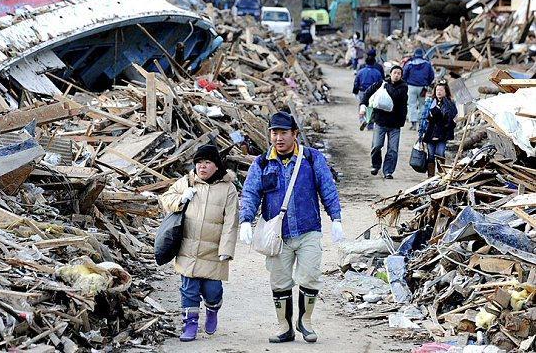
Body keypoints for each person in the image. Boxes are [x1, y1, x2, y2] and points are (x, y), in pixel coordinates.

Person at [239, 111, 343, 344]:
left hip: (308, 230)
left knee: (310, 277)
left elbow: (327, 188)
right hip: (278, 236)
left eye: (283, 133)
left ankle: (305, 322)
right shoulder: (262, 163)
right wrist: (245, 219)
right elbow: (250, 193)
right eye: (274, 133)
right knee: (280, 281)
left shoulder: (312, 159)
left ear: (295, 134)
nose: (278, 138)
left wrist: (336, 218)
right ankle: (284, 327)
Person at [159, 145, 239, 342]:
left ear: (216, 165)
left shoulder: (228, 188)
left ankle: (213, 309)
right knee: (189, 290)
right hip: (188, 248)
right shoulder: (187, 182)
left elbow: (231, 221)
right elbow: (165, 198)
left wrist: (226, 249)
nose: (202, 167)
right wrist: (181, 198)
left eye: (207, 163)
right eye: (198, 163)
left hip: (213, 251)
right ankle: (190, 324)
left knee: (212, 291)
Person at [359, 66, 408, 179]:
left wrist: (386, 86)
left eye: (399, 73)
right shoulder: (380, 84)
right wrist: (363, 106)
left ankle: (388, 171)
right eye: (394, 73)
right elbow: (367, 93)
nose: (396, 75)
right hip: (380, 121)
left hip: (395, 123)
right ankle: (375, 165)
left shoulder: (403, 87)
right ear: (390, 74)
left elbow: (396, 96)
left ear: (401, 76)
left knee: (393, 149)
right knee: (377, 146)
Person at [419, 81, 457, 177]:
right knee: (431, 155)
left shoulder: (449, 103)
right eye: (437, 90)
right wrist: (421, 133)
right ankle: (430, 177)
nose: (439, 92)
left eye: (441, 90)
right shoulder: (430, 102)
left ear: (446, 91)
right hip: (430, 132)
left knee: (440, 153)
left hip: (443, 133)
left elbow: (451, 115)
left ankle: (441, 175)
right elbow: (424, 117)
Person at [403, 48, 435, 130]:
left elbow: (404, 74)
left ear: (415, 54)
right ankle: (421, 123)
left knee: (411, 105)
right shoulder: (427, 64)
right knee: (422, 105)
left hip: (411, 87)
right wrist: (427, 83)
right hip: (423, 88)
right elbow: (432, 76)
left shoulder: (409, 64)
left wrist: (406, 82)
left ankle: (413, 124)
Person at [353, 55, 384, 130]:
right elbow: (381, 83)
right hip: (373, 92)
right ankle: (370, 123)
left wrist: (355, 90)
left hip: (362, 91)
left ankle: (362, 120)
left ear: (366, 62)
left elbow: (356, 82)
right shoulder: (377, 73)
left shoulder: (361, 72)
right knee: (372, 107)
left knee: (362, 105)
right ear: (374, 63)